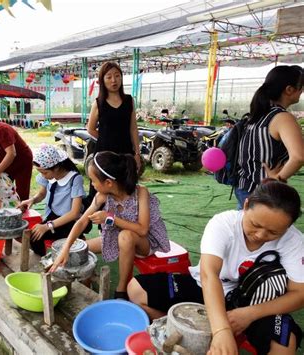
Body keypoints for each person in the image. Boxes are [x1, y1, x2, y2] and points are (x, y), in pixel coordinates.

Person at [128, 180, 303, 355]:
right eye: (255, 225)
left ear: (288, 227)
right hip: (206, 288)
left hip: (253, 301)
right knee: (136, 289)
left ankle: (209, 334)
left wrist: (249, 314)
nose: (260, 235)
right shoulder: (224, 224)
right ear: (246, 204)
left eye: (274, 232)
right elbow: (209, 274)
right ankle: (190, 333)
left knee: (285, 342)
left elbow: (300, 294)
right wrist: (221, 330)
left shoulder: (293, 240)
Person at [50, 151, 170, 299]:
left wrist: (109, 218)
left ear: (108, 183)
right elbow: (82, 221)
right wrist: (66, 248)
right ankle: (87, 279)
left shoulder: (141, 193)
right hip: (117, 237)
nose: (92, 185)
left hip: (144, 243)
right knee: (80, 248)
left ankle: (122, 289)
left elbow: (143, 230)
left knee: (125, 236)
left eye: (93, 181)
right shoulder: (102, 196)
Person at [235, 65, 304, 208]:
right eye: (301, 87)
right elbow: (299, 157)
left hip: (244, 187)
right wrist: (276, 179)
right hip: (264, 194)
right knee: (270, 230)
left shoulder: (257, 114)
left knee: (247, 228)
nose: (302, 91)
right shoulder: (282, 117)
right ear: (289, 89)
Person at [86, 62, 141, 200]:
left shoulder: (129, 101)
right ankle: (100, 220)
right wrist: (106, 137)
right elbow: (90, 129)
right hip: (104, 153)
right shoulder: (99, 103)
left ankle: (125, 221)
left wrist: (137, 153)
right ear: (102, 80)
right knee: (101, 190)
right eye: (109, 77)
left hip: (125, 152)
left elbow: (133, 128)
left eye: (117, 76)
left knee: (125, 188)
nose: (113, 80)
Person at [18, 144, 85, 256]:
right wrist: (32, 200)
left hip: (69, 220)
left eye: (45, 172)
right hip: (52, 217)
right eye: (40, 172)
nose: (43, 176)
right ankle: (44, 260)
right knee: (33, 236)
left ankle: (75, 238)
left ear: (57, 167)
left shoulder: (75, 179)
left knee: (54, 242)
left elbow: (74, 213)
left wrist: (47, 226)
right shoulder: (50, 176)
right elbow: (42, 193)